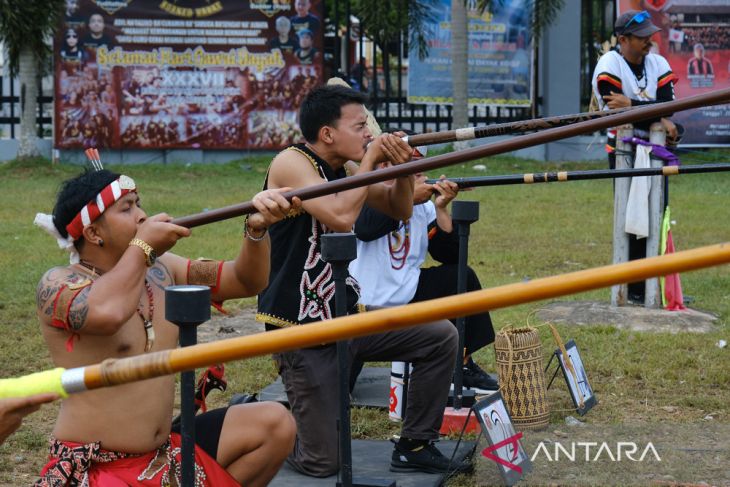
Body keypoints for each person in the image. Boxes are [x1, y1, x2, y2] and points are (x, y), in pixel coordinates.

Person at [33, 169, 297, 486]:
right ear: (92, 233)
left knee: (275, 424)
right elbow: (108, 313)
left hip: (164, 452)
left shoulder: (163, 267)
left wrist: (256, 230)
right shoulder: (60, 282)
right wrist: (143, 247)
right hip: (97, 465)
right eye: (127, 208)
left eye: (138, 203)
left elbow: (245, 280)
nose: (142, 215)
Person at [256, 85, 464, 477]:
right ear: (328, 133)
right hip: (300, 330)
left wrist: (400, 169)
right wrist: (372, 159)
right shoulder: (291, 162)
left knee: (440, 336)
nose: (369, 132)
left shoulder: (345, 167)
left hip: (346, 316)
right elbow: (341, 217)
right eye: (359, 126)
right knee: (324, 463)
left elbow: (399, 208)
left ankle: (415, 442)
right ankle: (259, 425)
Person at [349, 144, 498, 391]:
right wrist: (405, 200)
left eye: (420, 167)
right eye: (413, 168)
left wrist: (441, 208)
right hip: (362, 304)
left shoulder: (423, 205)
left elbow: (452, 256)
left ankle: (460, 363)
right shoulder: (363, 194)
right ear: (386, 166)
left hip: (409, 293)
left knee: (460, 277)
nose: (421, 174)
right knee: (338, 389)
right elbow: (365, 229)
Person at [591, 10, 680, 303]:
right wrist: (654, 115)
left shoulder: (658, 62)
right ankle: (630, 288)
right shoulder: (609, 63)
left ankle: (647, 287)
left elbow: (668, 111)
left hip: (656, 152)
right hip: (624, 152)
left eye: (650, 36)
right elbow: (615, 114)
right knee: (630, 220)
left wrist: (633, 104)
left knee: (654, 217)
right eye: (641, 37)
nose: (648, 42)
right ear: (623, 39)